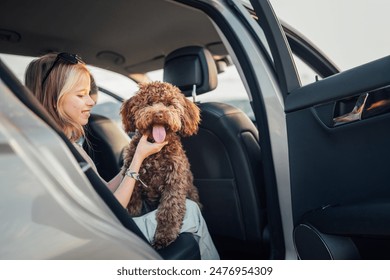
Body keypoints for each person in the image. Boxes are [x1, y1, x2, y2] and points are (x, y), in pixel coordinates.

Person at [24, 52, 219, 260]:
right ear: (54, 100)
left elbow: (103, 192)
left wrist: (135, 161)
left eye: (89, 93)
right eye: (81, 95)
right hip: (102, 239)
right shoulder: (59, 150)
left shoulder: (63, 145)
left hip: (93, 231)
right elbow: (113, 208)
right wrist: (137, 159)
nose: (91, 101)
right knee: (191, 211)